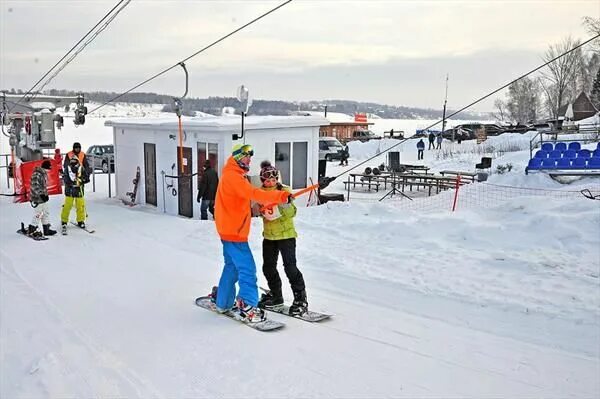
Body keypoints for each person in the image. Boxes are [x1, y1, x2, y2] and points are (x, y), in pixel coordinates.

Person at [211, 144, 293, 323]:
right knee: (247, 269)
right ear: (238, 157)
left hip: (228, 230)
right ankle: (247, 306)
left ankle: (223, 302)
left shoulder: (232, 175)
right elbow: (254, 193)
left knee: (231, 267)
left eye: (250, 156)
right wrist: (280, 196)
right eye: (246, 155)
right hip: (234, 232)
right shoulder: (234, 177)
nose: (250, 159)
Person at [256, 161, 308, 316]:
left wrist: (285, 203)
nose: (271, 182)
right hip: (269, 236)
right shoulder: (259, 193)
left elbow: (292, 213)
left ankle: (301, 300)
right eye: (267, 179)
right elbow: (261, 212)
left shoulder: (284, 191)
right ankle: (276, 295)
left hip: (286, 235)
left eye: (273, 179)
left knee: (290, 267)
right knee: (268, 267)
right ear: (262, 180)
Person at [60, 142, 91, 234]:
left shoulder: (81, 164)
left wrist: (84, 179)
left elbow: (86, 170)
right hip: (70, 189)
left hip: (79, 188)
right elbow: (65, 177)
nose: (74, 164)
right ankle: (64, 220)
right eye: (72, 162)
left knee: (80, 205)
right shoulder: (68, 165)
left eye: (75, 163)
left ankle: (80, 220)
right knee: (67, 205)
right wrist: (71, 183)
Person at [27, 160, 57, 237]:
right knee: (38, 213)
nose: (49, 170)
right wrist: (41, 195)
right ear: (45, 168)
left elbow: (43, 186)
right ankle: (32, 228)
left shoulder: (43, 173)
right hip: (37, 198)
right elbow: (35, 186)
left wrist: (46, 195)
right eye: (48, 169)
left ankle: (46, 228)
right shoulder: (37, 174)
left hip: (43, 197)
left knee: (46, 212)